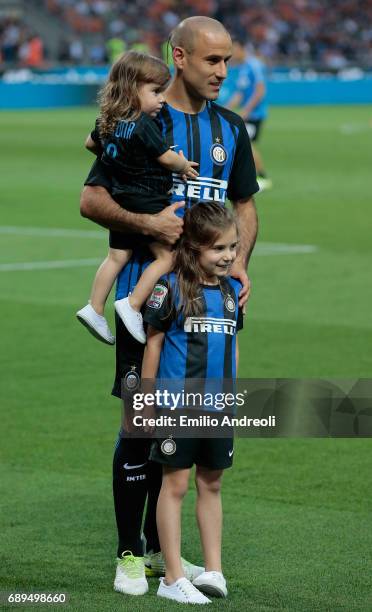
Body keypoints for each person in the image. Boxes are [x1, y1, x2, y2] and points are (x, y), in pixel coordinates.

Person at [79, 16, 259, 597]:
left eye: (228, 60)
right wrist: (146, 222)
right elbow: (90, 199)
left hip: (208, 302)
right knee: (142, 426)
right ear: (179, 57)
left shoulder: (231, 130)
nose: (223, 72)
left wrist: (240, 264)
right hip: (146, 299)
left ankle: (165, 553)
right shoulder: (138, 122)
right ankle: (130, 554)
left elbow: (245, 206)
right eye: (212, 61)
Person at [142, 203, 242, 604]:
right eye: (219, 249)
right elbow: (153, 345)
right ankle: (172, 577)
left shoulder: (233, 293)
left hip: (219, 408)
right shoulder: (171, 288)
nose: (229, 256)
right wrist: (145, 403)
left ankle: (214, 570)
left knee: (212, 483)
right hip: (176, 405)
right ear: (195, 247)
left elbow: (232, 348)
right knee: (176, 484)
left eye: (232, 247)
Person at [76, 51, 198, 345]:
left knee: (117, 255)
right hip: (146, 197)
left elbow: (90, 143)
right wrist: (184, 166)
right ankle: (132, 305)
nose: (161, 100)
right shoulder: (144, 124)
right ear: (132, 90)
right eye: (155, 92)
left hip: (119, 197)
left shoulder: (108, 119)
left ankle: (94, 307)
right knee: (168, 255)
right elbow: (166, 158)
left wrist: (118, 162)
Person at [226, 37, 272, 191]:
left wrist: (246, 111)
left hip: (254, 115)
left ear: (241, 47)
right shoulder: (244, 68)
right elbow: (239, 94)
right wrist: (225, 109)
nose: (231, 54)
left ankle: (262, 176)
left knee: (248, 145)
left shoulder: (254, 65)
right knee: (244, 144)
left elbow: (260, 90)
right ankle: (253, 175)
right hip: (249, 114)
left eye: (233, 49)